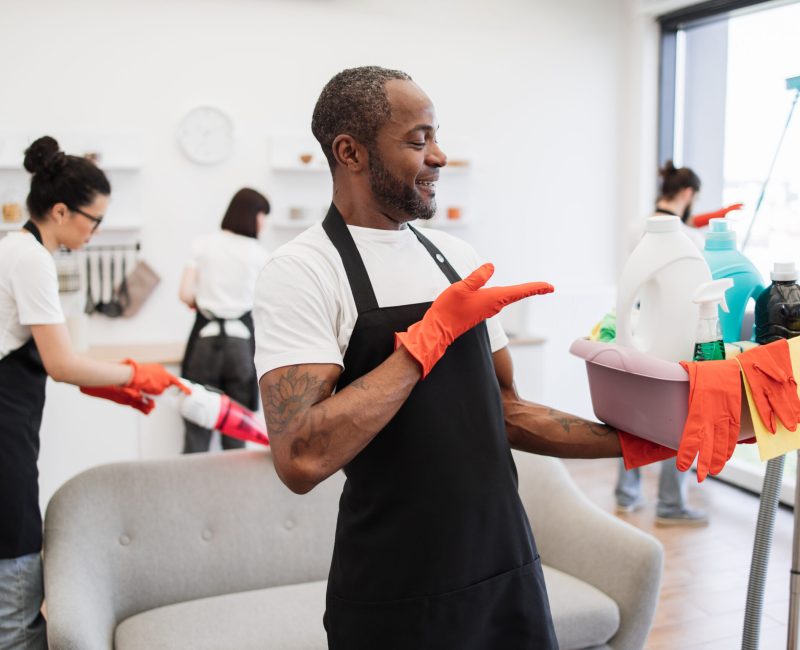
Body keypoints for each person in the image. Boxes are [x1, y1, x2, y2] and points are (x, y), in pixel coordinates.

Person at [253, 66, 628, 649]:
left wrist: (636, 440)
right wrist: (421, 346)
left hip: (507, 566)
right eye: (418, 140)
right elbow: (300, 457)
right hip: (395, 591)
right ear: (350, 152)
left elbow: (504, 412)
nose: (440, 156)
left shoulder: (455, 256)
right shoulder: (303, 272)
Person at [0, 136, 186, 650]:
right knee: (15, 596)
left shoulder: (16, 249)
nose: (96, 230)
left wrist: (119, 383)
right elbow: (61, 364)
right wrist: (135, 374)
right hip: (6, 436)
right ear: (60, 210)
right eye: (93, 219)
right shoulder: (31, 259)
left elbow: (47, 360)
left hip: (12, 421)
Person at [615, 160, 741, 526]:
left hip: (634, 329)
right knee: (678, 418)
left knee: (630, 415)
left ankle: (626, 494)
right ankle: (670, 504)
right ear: (687, 194)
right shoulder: (692, 240)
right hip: (676, 338)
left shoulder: (636, 227)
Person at [178, 188, 270, 453]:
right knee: (236, 427)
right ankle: (233, 492)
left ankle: (189, 491)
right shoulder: (259, 254)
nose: (263, 222)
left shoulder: (202, 244)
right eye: (262, 215)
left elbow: (184, 293)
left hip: (204, 342)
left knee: (197, 424)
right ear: (251, 215)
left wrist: (203, 303)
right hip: (240, 347)